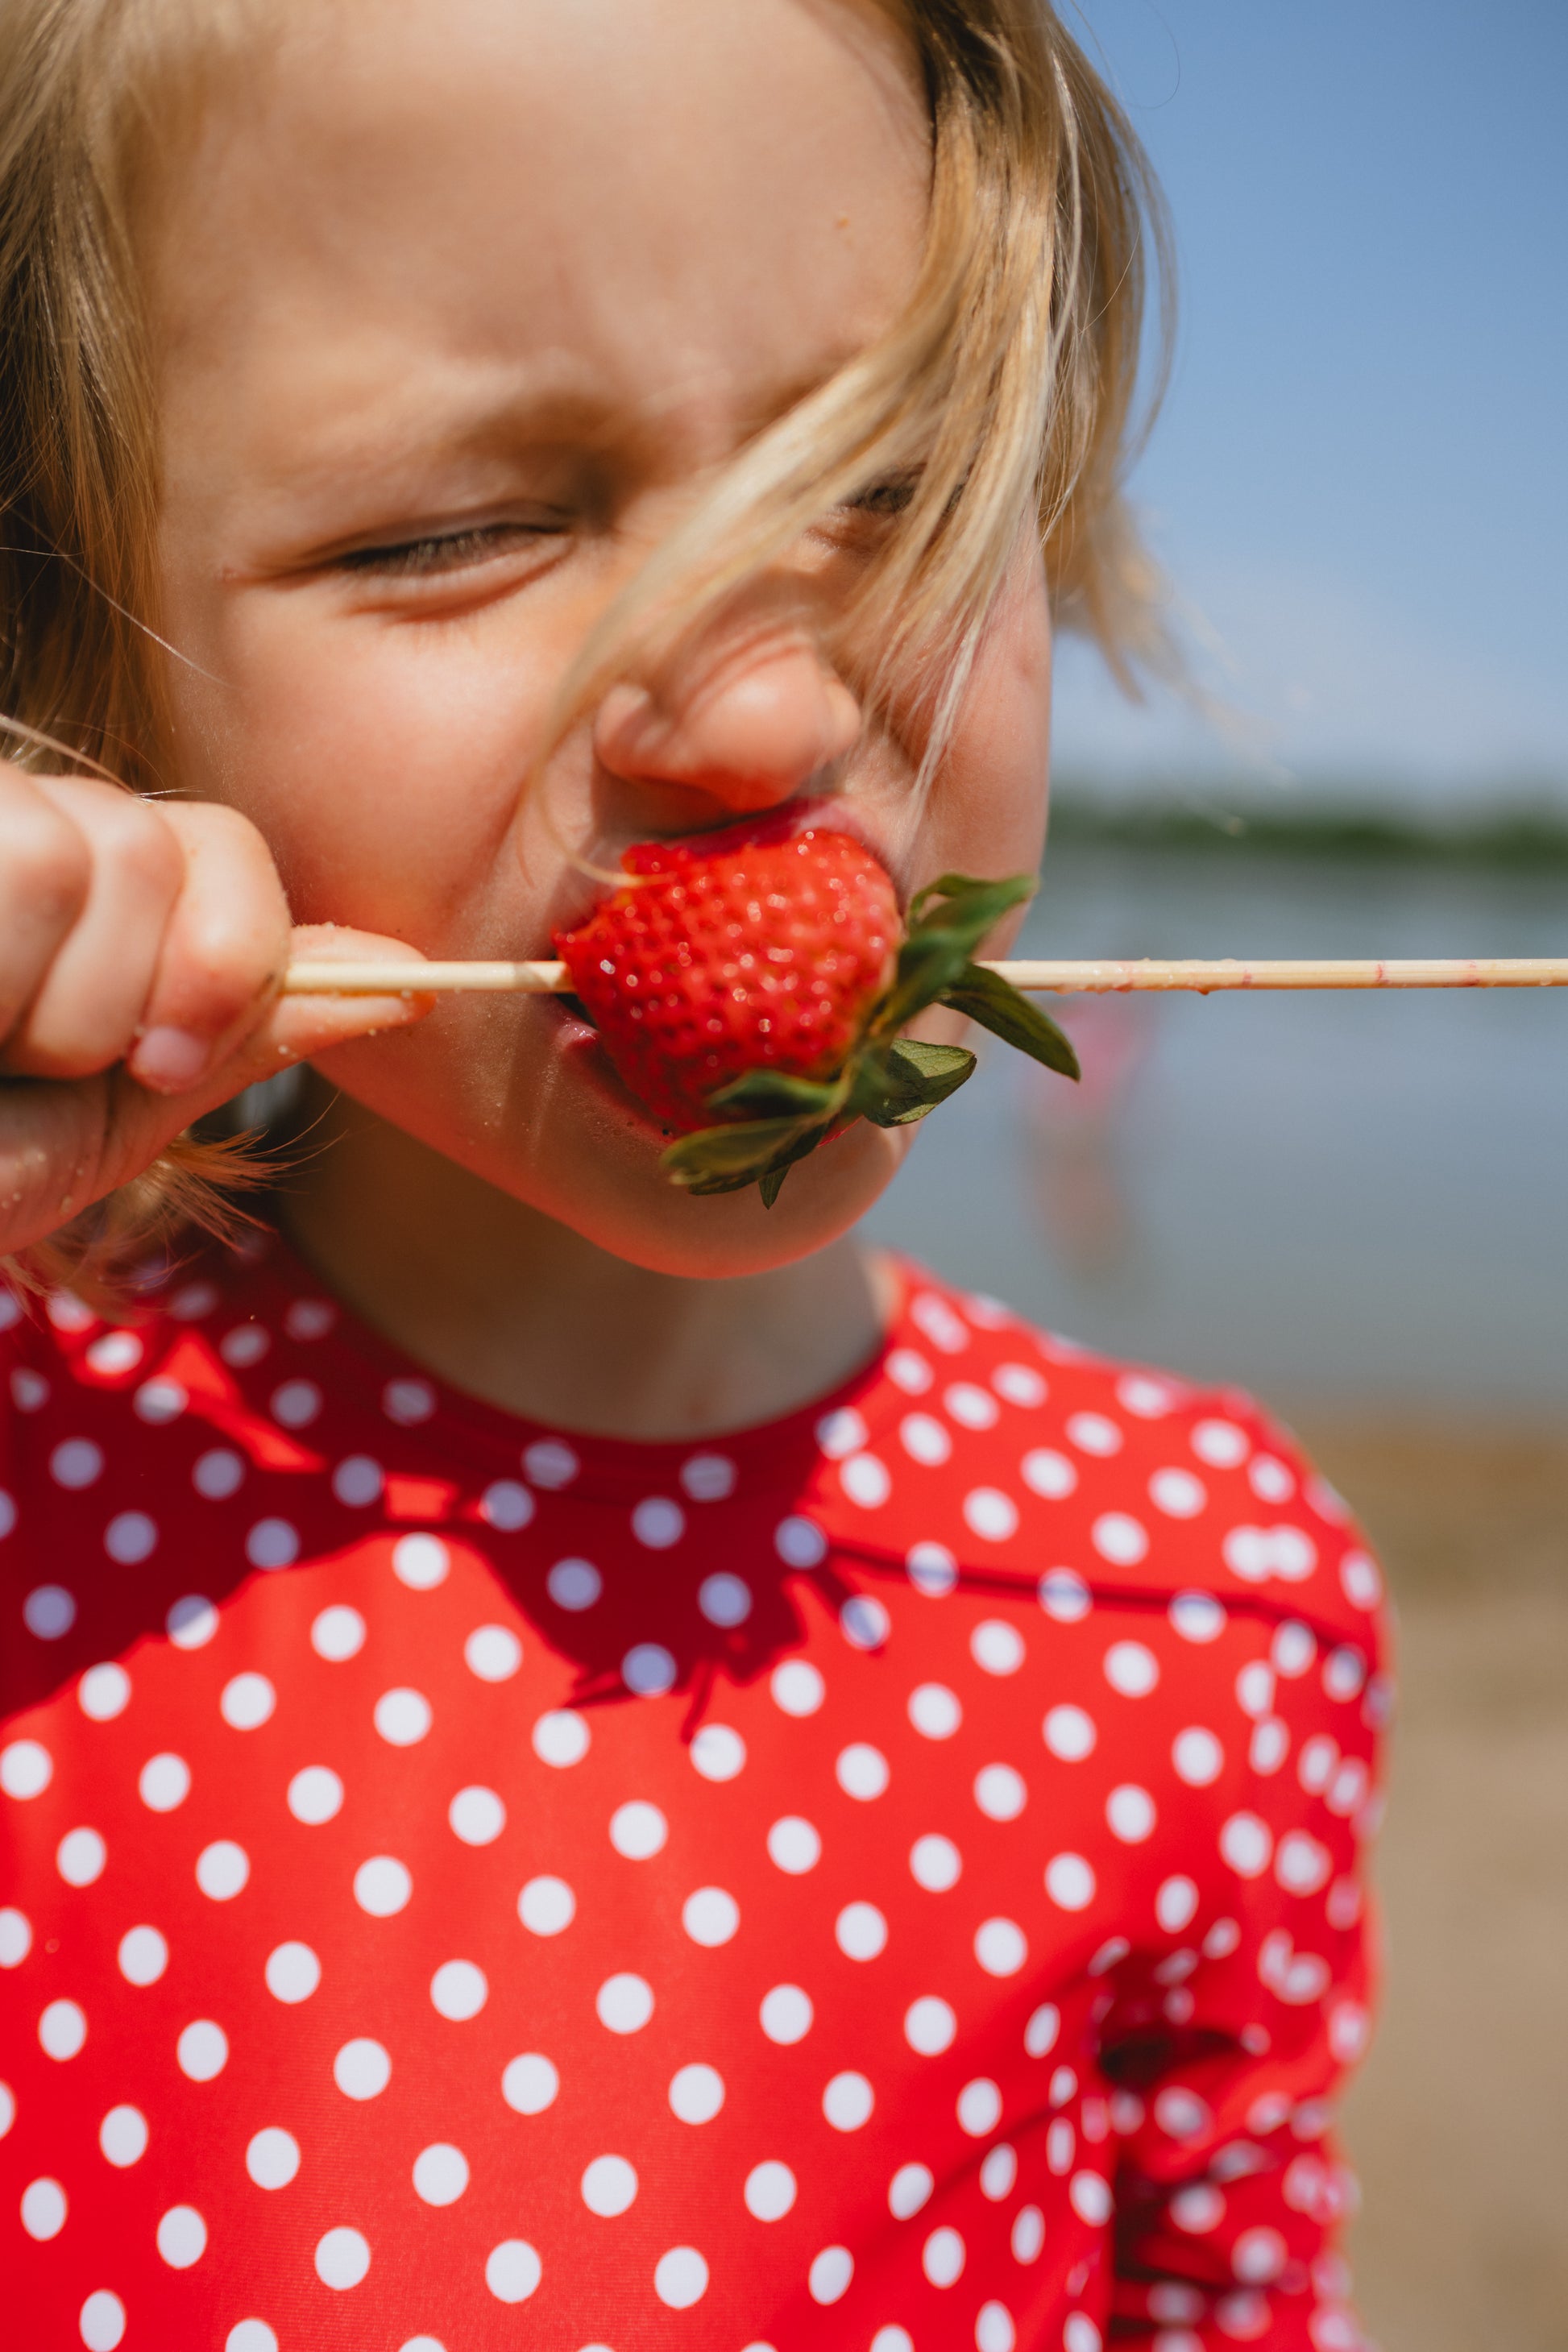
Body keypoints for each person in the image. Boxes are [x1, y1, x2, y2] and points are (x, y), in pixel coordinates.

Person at [0, 3, 1389, 2346]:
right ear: (77, 660)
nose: (758, 720)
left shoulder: (1204, 1603)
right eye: (460, 531)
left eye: (891, 484)